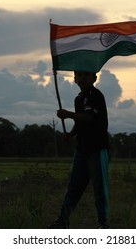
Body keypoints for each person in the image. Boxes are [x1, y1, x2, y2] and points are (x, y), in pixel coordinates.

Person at [48, 71, 110, 229]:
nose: (82, 78)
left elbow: (88, 117)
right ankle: (63, 220)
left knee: (99, 187)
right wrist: (71, 134)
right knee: (74, 186)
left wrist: (68, 114)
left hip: (97, 148)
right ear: (74, 79)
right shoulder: (79, 98)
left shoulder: (95, 95)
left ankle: (103, 223)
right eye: (79, 75)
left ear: (94, 78)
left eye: (86, 75)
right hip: (82, 149)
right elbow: (80, 120)